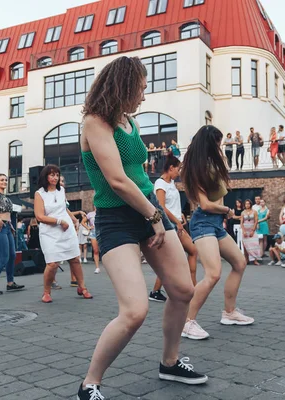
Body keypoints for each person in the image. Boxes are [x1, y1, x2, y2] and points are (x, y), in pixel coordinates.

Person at [78, 56, 207, 399]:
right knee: (135, 310)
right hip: (118, 217)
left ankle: (170, 361)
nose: (144, 97)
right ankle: (90, 383)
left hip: (148, 209)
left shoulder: (128, 121)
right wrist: (154, 216)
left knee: (183, 290)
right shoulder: (94, 122)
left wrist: (154, 213)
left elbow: (135, 172)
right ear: (123, 85)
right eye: (141, 88)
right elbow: (118, 181)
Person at [181, 124, 254, 341]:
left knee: (239, 262)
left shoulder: (210, 164)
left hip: (215, 224)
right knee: (213, 274)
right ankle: (186, 322)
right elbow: (204, 204)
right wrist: (227, 210)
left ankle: (229, 313)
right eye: (217, 142)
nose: (220, 146)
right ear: (209, 143)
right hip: (203, 222)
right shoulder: (197, 168)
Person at [34, 165, 92, 303]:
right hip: (49, 231)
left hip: (66, 229)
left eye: (57, 175)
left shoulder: (62, 191)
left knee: (74, 259)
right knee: (52, 263)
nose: (55, 177)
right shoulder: (39, 194)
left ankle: (82, 288)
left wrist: (73, 219)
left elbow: (64, 208)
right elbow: (40, 216)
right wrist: (59, 221)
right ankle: (46, 292)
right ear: (45, 176)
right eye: (52, 175)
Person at [149, 155, 199, 303]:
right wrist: (177, 221)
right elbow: (161, 207)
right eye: (178, 168)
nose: (179, 172)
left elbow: (172, 205)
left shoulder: (172, 183)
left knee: (191, 252)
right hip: (169, 225)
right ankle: (158, 291)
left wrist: (181, 215)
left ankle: (190, 287)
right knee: (172, 260)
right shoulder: (160, 184)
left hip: (176, 223)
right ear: (171, 168)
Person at [0, 174, 25, 295]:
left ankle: (10, 283)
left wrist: (10, 224)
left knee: (12, 255)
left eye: (6, 180)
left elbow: (7, 213)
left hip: (6, 227)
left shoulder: (5, 197)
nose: (5, 182)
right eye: (2, 180)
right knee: (4, 258)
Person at [241, 199, 260, 265]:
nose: (247, 205)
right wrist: (243, 231)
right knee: (245, 245)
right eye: (246, 204)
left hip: (252, 230)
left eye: (248, 204)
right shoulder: (243, 212)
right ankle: (247, 259)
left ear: (250, 204)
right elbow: (241, 223)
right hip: (245, 231)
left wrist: (253, 230)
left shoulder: (254, 212)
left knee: (254, 244)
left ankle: (255, 260)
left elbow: (256, 221)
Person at [86, 207, 100, 274]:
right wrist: (88, 227)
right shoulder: (90, 214)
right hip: (93, 232)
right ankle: (97, 267)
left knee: (106, 250)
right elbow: (83, 221)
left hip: (102, 231)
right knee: (95, 250)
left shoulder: (102, 212)